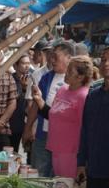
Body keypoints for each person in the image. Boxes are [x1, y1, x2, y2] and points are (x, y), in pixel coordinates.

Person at [77, 45, 109, 188]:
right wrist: (81, 162)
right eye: (104, 59)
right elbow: (85, 131)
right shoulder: (93, 95)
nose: (106, 63)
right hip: (94, 169)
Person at [32, 56, 92, 178]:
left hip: (71, 152)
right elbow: (53, 115)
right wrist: (39, 100)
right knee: (59, 186)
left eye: (70, 71)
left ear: (80, 77)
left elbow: (85, 128)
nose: (66, 73)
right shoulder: (62, 90)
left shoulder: (83, 96)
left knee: (67, 187)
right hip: (55, 147)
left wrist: (82, 157)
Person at [24, 41, 75, 177]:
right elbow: (36, 105)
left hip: (64, 139)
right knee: (39, 174)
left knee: (59, 177)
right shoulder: (46, 77)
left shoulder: (76, 81)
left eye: (55, 56)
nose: (51, 60)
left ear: (69, 58)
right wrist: (28, 128)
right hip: (43, 136)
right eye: (51, 56)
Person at [9, 54, 32, 151]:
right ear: (15, 65)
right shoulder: (11, 80)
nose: (27, 66)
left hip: (26, 121)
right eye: (23, 63)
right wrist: (23, 89)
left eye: (28, 63)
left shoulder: (32, 79)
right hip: (13, 122)